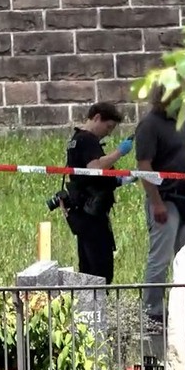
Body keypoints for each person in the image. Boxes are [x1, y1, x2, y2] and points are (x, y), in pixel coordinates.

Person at [133, 84, 185, 324]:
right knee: (160, 258)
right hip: (166, 198)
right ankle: (152, 311)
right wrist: (156, 202)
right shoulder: (149, 125)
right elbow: (144, 166)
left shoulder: (182, 123)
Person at [59, 102, 132, 283]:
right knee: (100, 266)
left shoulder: (76, 139)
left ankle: (89, 297)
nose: (109, 133)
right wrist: (119, 152)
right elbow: (95, 168)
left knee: (88, 263)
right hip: (91, 211)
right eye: (109, 127)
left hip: (82, 210)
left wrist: (119, 179)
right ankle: (97, 297)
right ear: (97, 118)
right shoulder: (87, 139)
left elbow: (89, 177)